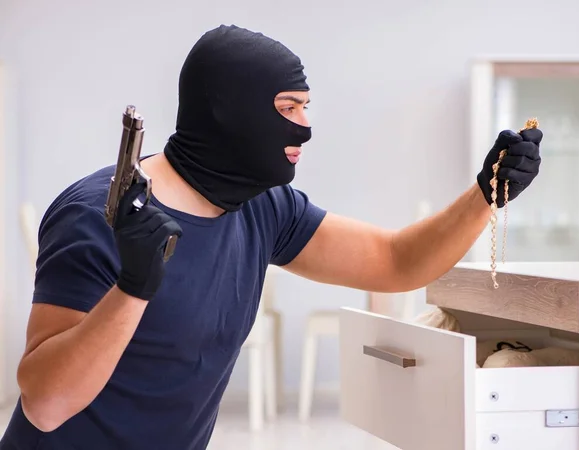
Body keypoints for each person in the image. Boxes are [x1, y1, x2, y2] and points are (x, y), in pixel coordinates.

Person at [0, 24, 542, 450]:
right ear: (226, 113)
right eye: (287, 108)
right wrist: (133, 287)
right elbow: (46, 405)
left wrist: (485, 194)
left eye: (307, 107)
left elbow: (395, 261)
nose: (304, 127)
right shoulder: (97, 216)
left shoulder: (263, 206)